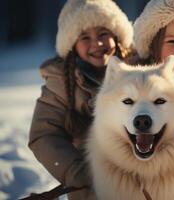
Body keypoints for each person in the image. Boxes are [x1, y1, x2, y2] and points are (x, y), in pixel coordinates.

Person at [28, 0, 133, 199]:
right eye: (84, 37)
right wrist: (80, 172)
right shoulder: (60, 81)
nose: (97, 44)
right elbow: (44, 134)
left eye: (103, 33)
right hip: (92, 188)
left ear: (117, 36)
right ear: (73, 45)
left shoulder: (138, 68)